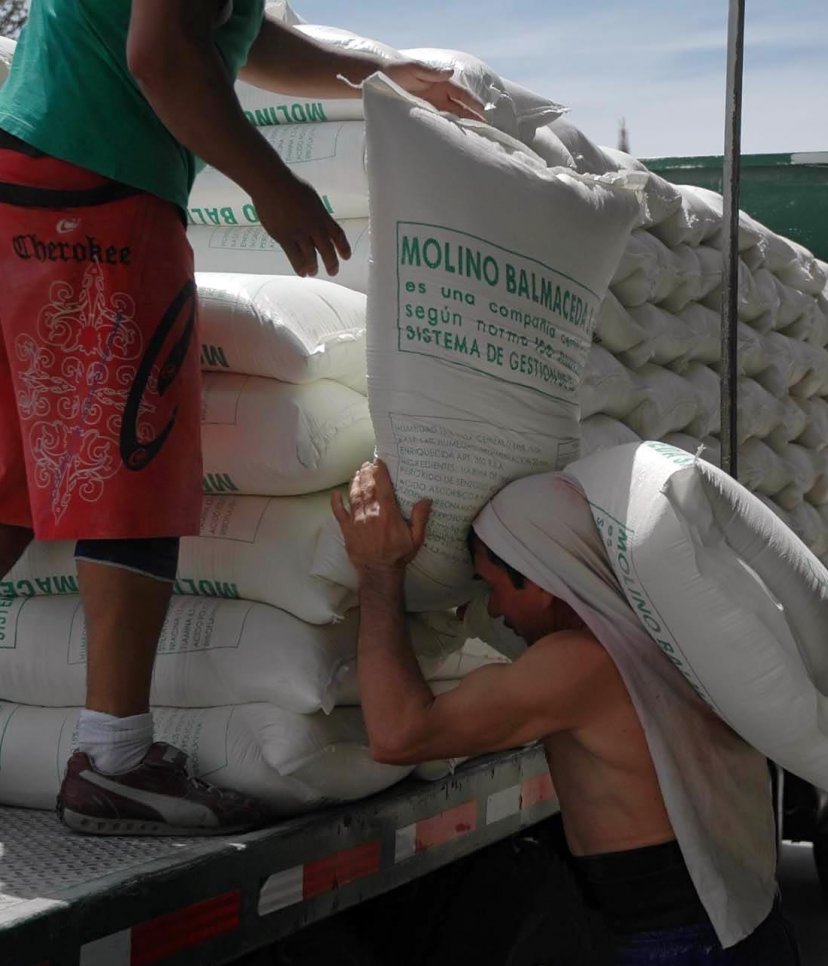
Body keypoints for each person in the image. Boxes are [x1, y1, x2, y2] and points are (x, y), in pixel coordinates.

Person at [0, 0, 483, 837]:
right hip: (104, 193)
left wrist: (376, 76)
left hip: (25, 183)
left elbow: (239, 33)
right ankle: (113, 759)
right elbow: (163, 53)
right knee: (132, 463)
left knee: (8, 482)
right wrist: (275, 187)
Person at [332, 460, 801, 966]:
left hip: (684, 958)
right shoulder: (663, 629)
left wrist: (379, 571)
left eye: (493, 586)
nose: (491, 607)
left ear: (541, 581)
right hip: (750, 933)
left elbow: (398, 735)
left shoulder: (578, 665)